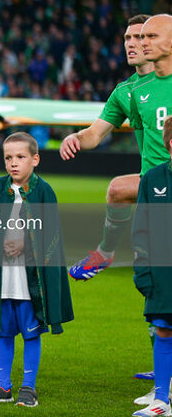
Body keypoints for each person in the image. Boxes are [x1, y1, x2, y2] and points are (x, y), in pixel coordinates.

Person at [0, 132, 73, 408]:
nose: (14, 163)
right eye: (8, 158)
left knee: (31, 330)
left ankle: (28, 388)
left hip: (28, 279)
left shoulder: (44, 191)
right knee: (4, 330)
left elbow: (52, 234)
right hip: (4, 277)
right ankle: (3, 386)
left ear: (35, 159)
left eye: (20, 157)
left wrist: (25, 242)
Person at [60, 14, 153, 280]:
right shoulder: (125, 91)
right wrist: (76, 138)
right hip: (153, 179)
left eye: (139, 37)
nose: (131, 44)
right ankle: (105, 253)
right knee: (117, 190)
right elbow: (95, 133)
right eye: (127, 38)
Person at [131, 116, 172, 417]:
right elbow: (140, 230)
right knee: (163, 331)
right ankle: (162, 400)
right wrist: (143, 271)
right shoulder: (154, 178)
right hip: (162, 273)